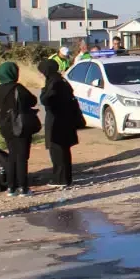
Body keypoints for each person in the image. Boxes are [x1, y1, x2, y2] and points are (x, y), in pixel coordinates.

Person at [37, 58, 87, 188]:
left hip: (57, 121)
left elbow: (47, 100)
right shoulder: (61, 80)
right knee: (63, 151)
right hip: (66, 119)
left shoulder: (54, 82)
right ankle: (66, 178)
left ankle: (60, 180)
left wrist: (43, 91)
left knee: (57, 151)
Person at [0, 62, 39, 197]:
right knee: (22, 157)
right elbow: (32, 100)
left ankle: (11, 187)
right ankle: (23, 188)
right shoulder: (17, 88)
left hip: (6, 125)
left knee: (12, 156)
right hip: (19, 125)